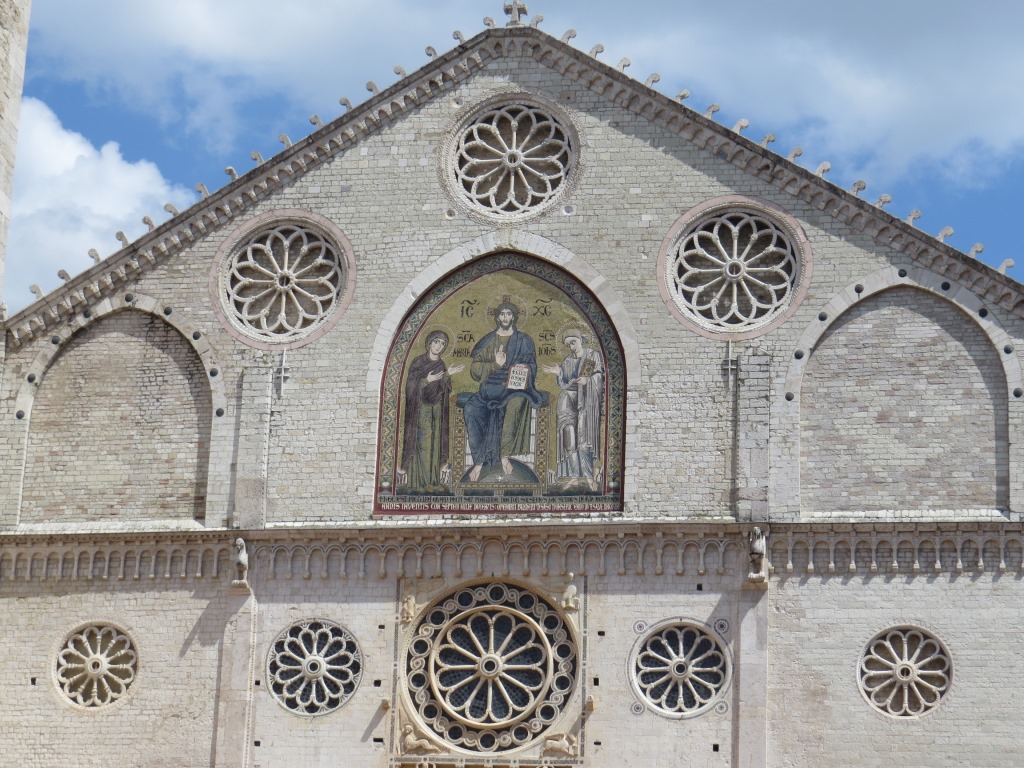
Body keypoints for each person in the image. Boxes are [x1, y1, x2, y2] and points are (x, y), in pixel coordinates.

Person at [460, 301, 547, 481]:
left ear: (514, 317)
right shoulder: (489, 340)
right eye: (502, 314)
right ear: (497, 317)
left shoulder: (524, 340)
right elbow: (475, 370)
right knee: (470, 409)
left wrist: (525, 368)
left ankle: (504, 455)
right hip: (488, 391)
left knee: (514, 405)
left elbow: (532, 365)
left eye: (509, 314)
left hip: (513, 390)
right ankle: (478, 461)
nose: (505, 317)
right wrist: (495, 364)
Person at [400, 331, 464, 491]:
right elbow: (410, 387)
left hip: (437, 410)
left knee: (435, 444)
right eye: (436, 342)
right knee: (423, 444)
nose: (439, 346)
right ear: (429, 343)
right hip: (421, 410)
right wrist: (425, 380)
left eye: (442, 344)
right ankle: (418, 482)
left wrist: (448, 374)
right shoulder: (418, 362)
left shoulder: (441, 364)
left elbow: (441, 388)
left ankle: (433, 482)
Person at [541, 330, 604, 490]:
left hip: (585, 400)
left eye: (573, 342)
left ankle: (589, 477)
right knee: (569, 438)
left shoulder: (592, 355)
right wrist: (559, 373)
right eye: (568, 344)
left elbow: (599, 376)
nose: (571, 346)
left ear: (581, 339)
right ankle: (575, 476)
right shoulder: (568, 361)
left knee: (583, 441)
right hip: (567, 400)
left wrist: (588, 380)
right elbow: (564, 384)